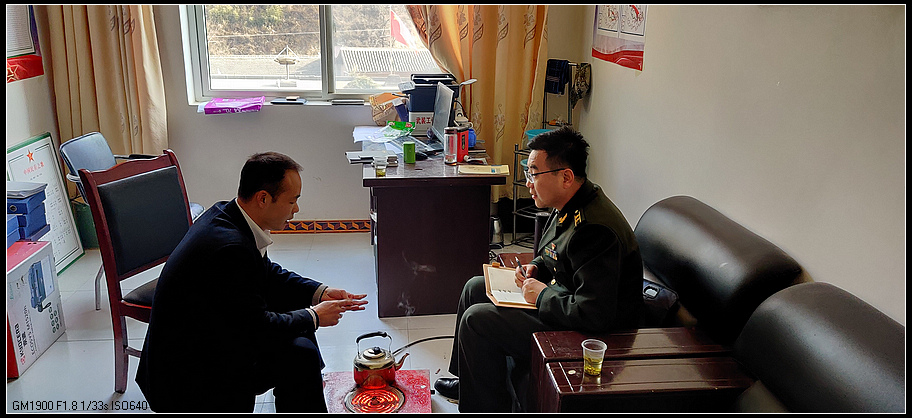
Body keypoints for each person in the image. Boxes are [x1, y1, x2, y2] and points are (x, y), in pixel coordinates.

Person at [136, 152, 368, 412]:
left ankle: (306, 391)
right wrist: (314, 316)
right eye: (292, 201)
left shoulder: (228, 214)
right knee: (300, 353)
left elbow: (266, 273)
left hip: (210, 338)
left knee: (299, 332)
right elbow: (256, 327)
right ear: (263, 198)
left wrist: (319, 292)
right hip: (188, 375)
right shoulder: (229, 248)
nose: (296, 209)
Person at [434, 127, 644, 412]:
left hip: (589, 334)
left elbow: (595, 314)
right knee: (475, 287)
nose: (528, 183)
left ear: (565, 177)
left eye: (534, 173)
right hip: (565, 300)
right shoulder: (570, 201)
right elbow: (555, 253)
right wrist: (535, 268)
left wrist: (542, 295)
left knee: (477, 320)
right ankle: (469, 384)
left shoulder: (595, 229)